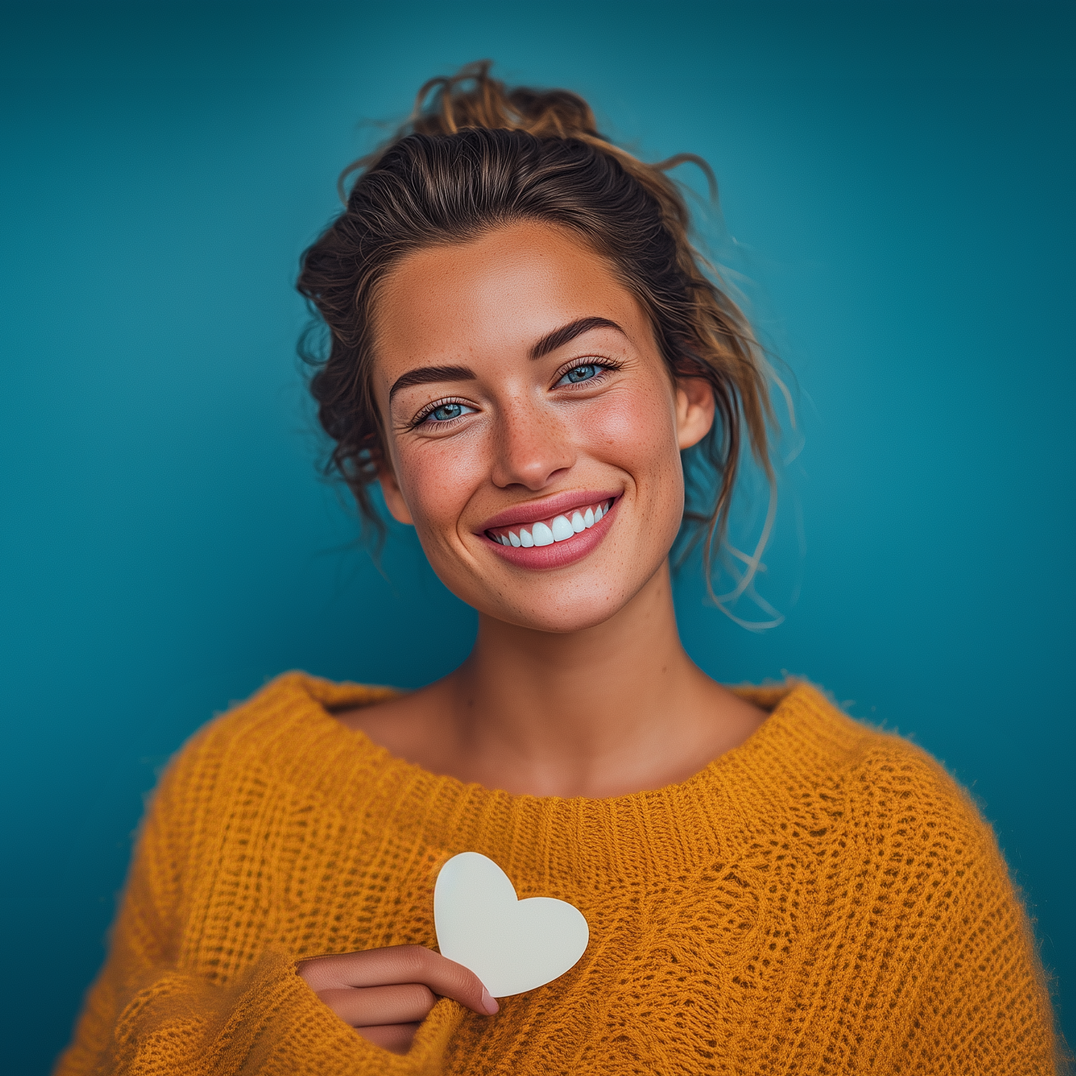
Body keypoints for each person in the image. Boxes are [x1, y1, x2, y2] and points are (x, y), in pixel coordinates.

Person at [56, 62, 1059, 1075]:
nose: (529, 459)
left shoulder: (901, 853)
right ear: (389, 475)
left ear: (687, 394)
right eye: (446, 409)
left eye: (580, 371)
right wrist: (231, 1052)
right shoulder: (233, 796)